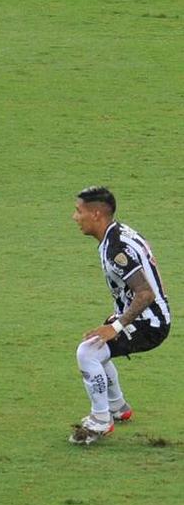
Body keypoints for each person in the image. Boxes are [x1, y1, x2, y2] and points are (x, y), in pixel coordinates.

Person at [69, 186, 170, 445]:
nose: (74, 217)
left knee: (87, 352)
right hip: (143, 315)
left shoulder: (116, 248)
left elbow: (145, 294)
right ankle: (118, 406)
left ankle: (101, 420)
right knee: (98, 345)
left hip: (150, 323)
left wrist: (116, 326)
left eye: (79, 211)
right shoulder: (117, 234)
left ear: (96, 214)